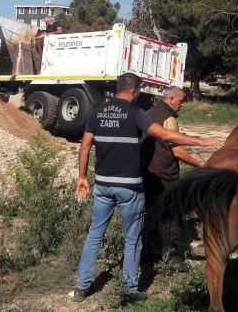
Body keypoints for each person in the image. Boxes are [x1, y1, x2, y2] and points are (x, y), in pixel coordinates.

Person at [71, 73, 221, 303]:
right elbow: (164, 134)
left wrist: (82, 176)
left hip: (102, 185)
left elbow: (84, 148)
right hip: (129, 188)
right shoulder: (136, 114)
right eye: (139, 90)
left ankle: (81, 289)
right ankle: (130, 288)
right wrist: (201, 141)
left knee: (94, 235)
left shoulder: (96, 113)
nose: (139, 94)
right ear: (133, 91)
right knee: (133, 238)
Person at [141, 86, 207, 272]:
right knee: (171, 216)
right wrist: (201, 165)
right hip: (165, 175)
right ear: (171, 99)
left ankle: (147, 255)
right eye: (181, 101)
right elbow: (176, 150)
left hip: (147, 173)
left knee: (149, 214)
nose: (182, 105)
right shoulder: (169, 118)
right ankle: (172, 258)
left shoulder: (149, 113)